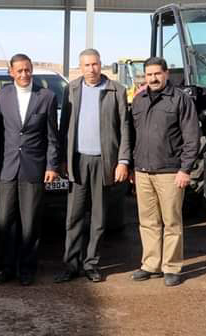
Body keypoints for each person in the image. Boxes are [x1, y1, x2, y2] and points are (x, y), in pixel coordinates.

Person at [55, 48, 131, 284]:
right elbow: (64, 126)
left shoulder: (116, 90)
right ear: (81, 67)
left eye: (95, 64)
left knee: (98, 218)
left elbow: (125, 127)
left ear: (101, 64)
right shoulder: (71, 89)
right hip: (77, 161)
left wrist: (123, 161)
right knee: (73, 217)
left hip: (103, 161)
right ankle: (71, 265)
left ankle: (91, 264)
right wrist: (63, 158)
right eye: (86, 65)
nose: (91, 69)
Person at [0, 53, 60, 286]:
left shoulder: (46, 96)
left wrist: (52, 165)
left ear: (32, 70)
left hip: (34, 168)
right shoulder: (2, 96)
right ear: (11, 72)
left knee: (30, 224)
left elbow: (52, 136)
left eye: (27, 70)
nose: (24, 74)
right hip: (7, 168)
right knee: (5, 222)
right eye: (19, 70)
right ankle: (5, 268)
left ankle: (27, 269)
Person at [130, 56, 199, 287]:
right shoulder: (138, 100)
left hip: (170, 172)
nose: (153, 78)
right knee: (148, 221)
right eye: (149, 74)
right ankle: (150, 264)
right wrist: (132, 167)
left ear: (166, 74)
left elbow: (192, 137)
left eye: (157, 74)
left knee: (171, 222)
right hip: (143, 171)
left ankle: (171, 267)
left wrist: (185, 169)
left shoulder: (180, 99)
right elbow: (132, 136)